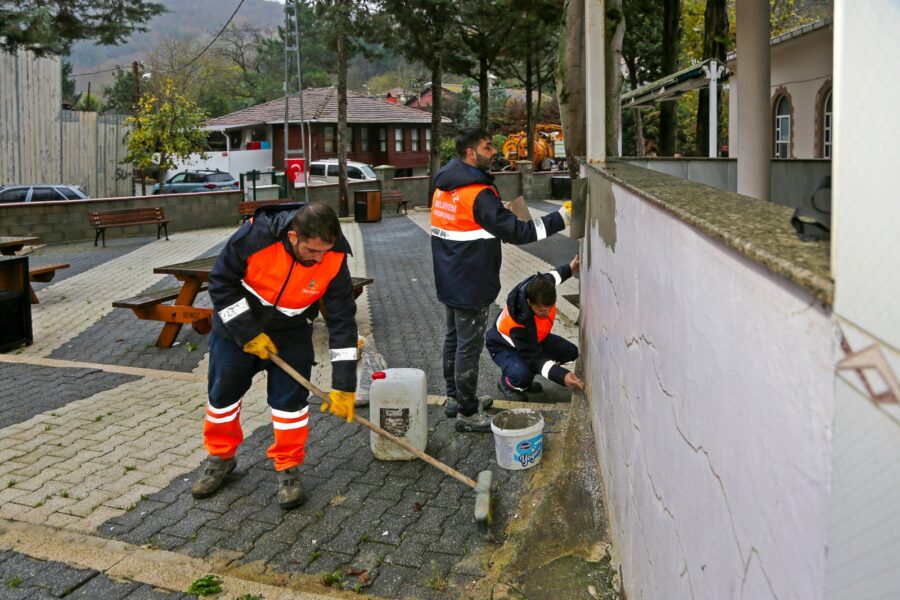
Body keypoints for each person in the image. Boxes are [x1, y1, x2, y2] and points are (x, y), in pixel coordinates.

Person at [192, 203, 358, 509]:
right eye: (312, 251)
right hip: (237, 331)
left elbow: (343, 319)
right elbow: (220, 282)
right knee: (222, 399)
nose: (319, 259)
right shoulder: (255, 238)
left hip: (291, 332)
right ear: (293, 236)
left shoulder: (334, 256)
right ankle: (221, 457)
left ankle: (288, 467)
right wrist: (247, 332)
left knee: (290, 406)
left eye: (325, 251)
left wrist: (344, 384)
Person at [431, 128, 571, 432]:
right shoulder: (478, 194)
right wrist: (561, 218)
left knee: (453, 339)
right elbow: (519, 232)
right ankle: (468, 414)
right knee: (468, 347)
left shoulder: (444, 187)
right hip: (472, 283)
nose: (494, 150)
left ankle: (456, 399)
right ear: (471, 153)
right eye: (487, 147)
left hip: (450, 277)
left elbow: (464, 226)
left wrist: (496, 216)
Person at [486, 256, 585, 400]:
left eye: (549, 308)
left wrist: (570, 268)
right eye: (541, 310)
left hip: (533, 340)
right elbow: (533, 358)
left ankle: (525, 377)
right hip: (503, 346)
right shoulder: (520, 323)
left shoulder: (542, 287)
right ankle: (508, 383)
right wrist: (561, 376)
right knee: (522, 374)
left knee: (570, 352)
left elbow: (554, 276)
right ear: (529, 302)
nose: (546, 314)